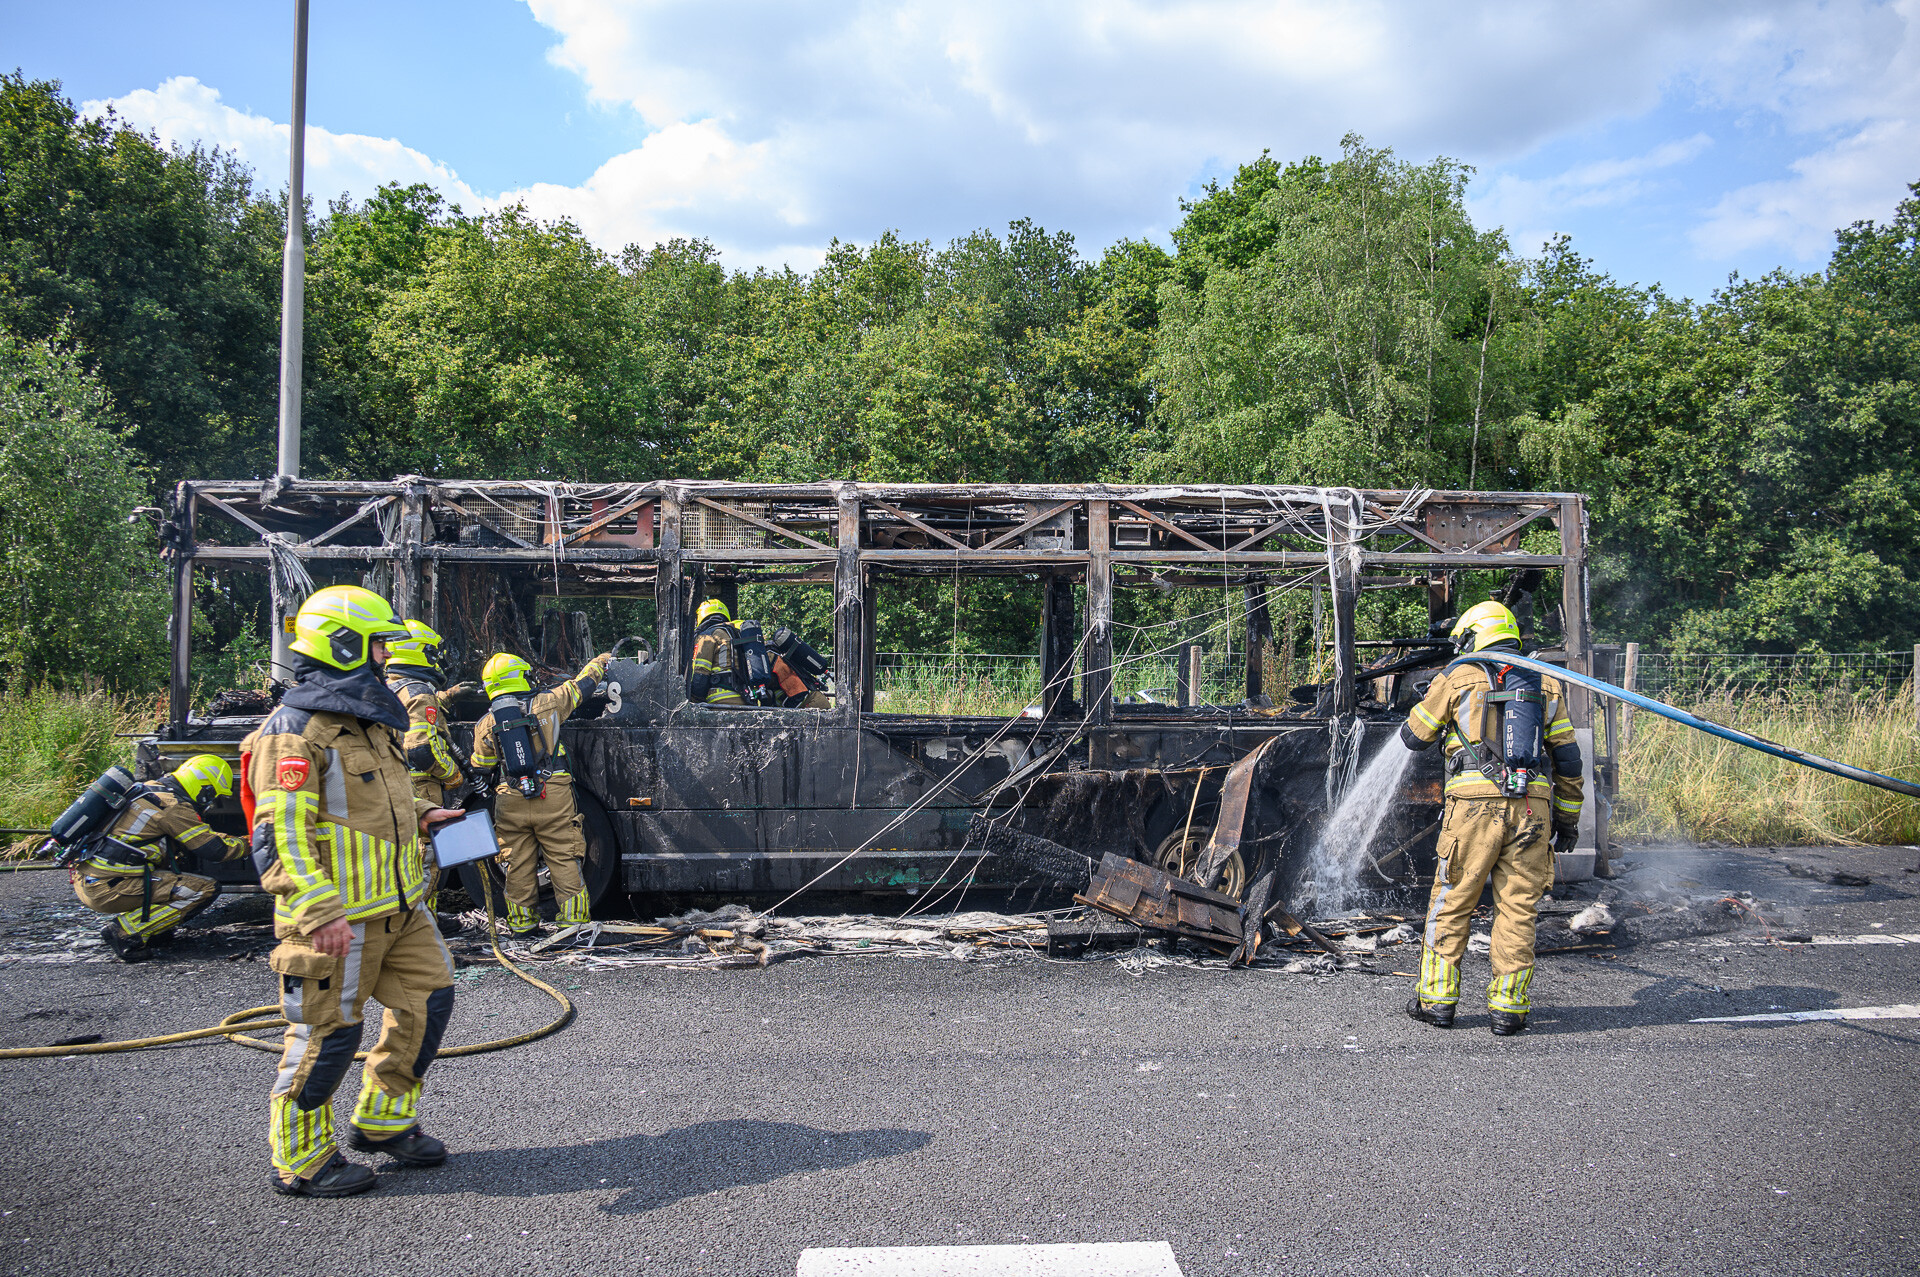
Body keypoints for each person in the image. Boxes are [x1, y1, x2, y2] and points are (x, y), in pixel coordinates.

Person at [241, 584, 463, 1198]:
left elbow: (369, 804)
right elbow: (280, 835)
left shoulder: (368, 725)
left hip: (400, 909)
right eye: (376, 647)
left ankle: (382, 1122)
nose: (386, 661)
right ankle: (303, 1158)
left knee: (429, 1002)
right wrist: (317, 912)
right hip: (339, 921)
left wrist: (423, 814)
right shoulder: (294, 732)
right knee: (326, 1036)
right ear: (341, 646)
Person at [1397, 600, 1584, 1036]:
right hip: (1533, 810)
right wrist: (1568, 820)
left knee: (1453, 900)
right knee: (1519, 908)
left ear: (1474, 636)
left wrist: (1428, 700)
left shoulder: (1458, 676)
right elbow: (1570, 761)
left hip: (1474, 806)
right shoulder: (1548, 685)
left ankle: (1437, 1002)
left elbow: (1414, 736)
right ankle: (1509, 1009)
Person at [468, 648, 611, 935]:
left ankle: (522, 926)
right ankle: (572, 925)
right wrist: (601, 663)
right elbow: (582, 687)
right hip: (552, 794)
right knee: (562, 856)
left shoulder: (486, 724)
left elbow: (481, 767)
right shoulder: (549, 702)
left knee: (517, 864)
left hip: (510, 799)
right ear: (520, 677)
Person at [74, 754, 248, 961]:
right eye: (211, 797)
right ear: (204, 788)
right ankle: (126, 932)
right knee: (204, 889)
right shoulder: (172, 807)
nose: (209, 804)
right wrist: (250, 841)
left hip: (88, 880)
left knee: (178, 873)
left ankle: (155, 930)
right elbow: (215, 850)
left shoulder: (148, 789)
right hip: (110, 889)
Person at [384, 619, 463, 806]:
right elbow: (420, 749)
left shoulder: (385, 686)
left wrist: (448, 696)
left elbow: (405, 710)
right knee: (424, 835)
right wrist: (452, 773)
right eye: (432, 652)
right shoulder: (419, 692)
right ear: (419, 651)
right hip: (421, 785)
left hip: (393, 779)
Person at [688, 598, 745, 705]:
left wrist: (693, 698)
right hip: (746, 699)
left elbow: (700, 676)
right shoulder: (738, 635)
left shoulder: (707, 636)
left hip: (720, 700)